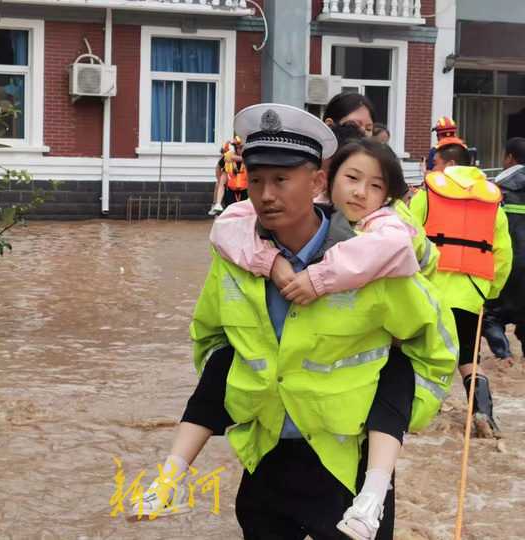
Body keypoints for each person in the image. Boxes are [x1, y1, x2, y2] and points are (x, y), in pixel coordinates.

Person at [132, 104, 459, 540]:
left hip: (349, 469)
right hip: (266, 462)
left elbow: (435, 351)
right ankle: (168, 477)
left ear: (318, 182)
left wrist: (396, 417)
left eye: (282, 180)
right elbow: (209, 340)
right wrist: (248, 398)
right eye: (257, 180)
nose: (267, 195)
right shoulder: (236, 260)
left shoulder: (374, 262)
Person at [409, 145, 513, 438]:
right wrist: (489, 292)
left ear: (449, 164)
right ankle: (482, 412)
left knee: (418, 353)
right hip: (472, 292)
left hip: (428, 291)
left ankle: (414, 416)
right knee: (468, 357)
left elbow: (408, 234)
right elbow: (502, 254)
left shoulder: (427, 193)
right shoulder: (492, 201)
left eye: (436, 162)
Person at [483, 137, 525, 364]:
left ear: (509, 158)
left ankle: (504, 357)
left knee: (492, 316)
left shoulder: (495, 191)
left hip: (507, 267)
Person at [209, 136, 246, 215]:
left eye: (243, 147)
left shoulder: (249, 158)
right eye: (239, 148)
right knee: (231, 213)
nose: (241, 150)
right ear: (235, 148)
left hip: (245, 190)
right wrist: (219, 181)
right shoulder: (227, 158)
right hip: (230, 190)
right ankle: (217, 204)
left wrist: (234, 157)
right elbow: (218, 168)